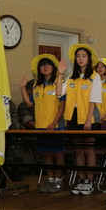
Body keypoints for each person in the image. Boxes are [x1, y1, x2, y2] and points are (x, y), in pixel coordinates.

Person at [56, 44, 102, 196]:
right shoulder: (70, 78)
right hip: (73, 117)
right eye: (78, 56)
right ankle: (81, 180)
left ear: (89, 59)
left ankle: (90, 180)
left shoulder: (94, 77)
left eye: (84, 56)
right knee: (78, 149)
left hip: (89, 117)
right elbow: (58, 93)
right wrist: (60, 74)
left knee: (88, 148)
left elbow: (94, 99)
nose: (81, 59)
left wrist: (88, 119)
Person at [20, 54, 66, 193]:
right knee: (46, 154)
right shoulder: (36, 85)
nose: (45, 67)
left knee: (57, 153)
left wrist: (54, 122)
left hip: (56, 126)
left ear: (54, 67)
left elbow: (62, 106)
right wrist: (22, 88)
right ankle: (50, 179)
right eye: (42, 65)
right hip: (41, 126)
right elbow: (29, 103)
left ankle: (59, 180)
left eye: (48, 64)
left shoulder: (59, 83)